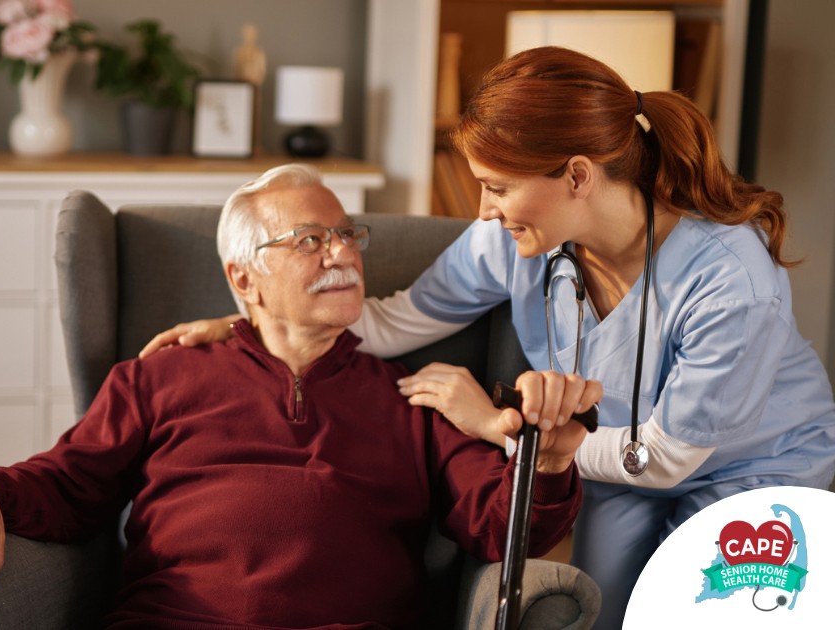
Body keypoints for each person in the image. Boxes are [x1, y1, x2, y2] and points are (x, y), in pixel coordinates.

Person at [139, 47, 835, 628]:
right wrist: (254, 326)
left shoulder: (729, 280)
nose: (483, 209)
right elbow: (392, 320)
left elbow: (667, 458)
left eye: (497, 186)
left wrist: (497, 426)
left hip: (750, 464)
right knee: (598, 612)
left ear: (577, 176)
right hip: (611, 460)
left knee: (703, 612)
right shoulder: (511, 241)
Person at [0, 163, 591, 629]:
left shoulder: (414, 397)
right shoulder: (158, 377)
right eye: (309, 241)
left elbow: (503, 526)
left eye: (347, 235)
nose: (342, 255)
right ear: (246, 278)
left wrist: (552, 459)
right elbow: (67, 483)